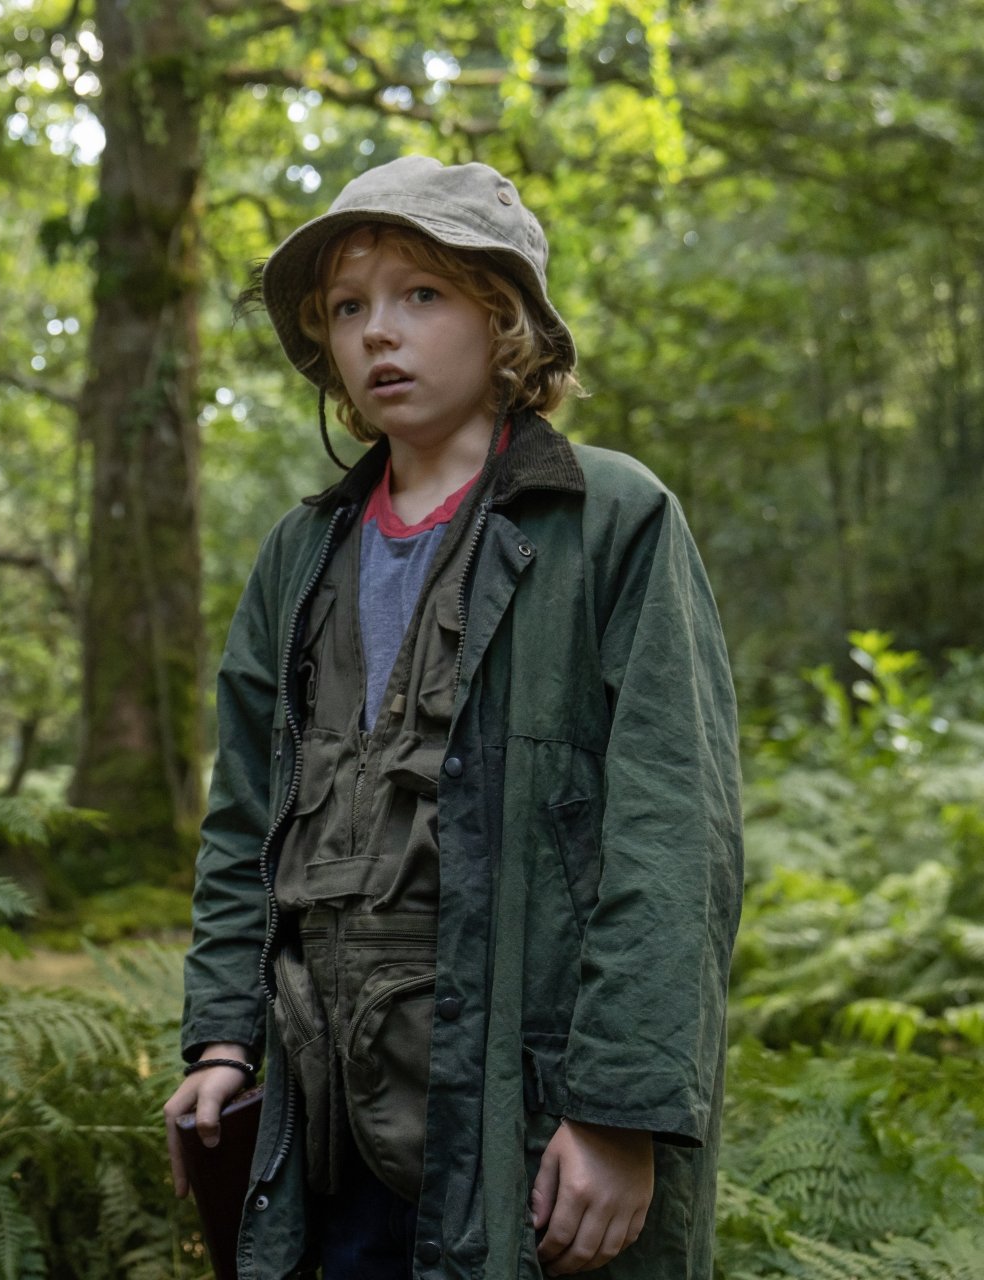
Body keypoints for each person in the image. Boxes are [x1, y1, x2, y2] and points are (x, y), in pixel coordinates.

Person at [163, 155, 743, 1279]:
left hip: (535, 1125)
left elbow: (678, 835)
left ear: (502, 317)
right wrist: (224, 1039)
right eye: (348, 306)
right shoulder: (300, 555)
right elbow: (243, 822)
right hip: (326, 1131)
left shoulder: (612, 520)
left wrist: (617, 1113)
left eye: (420, 294)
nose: (379, 331)